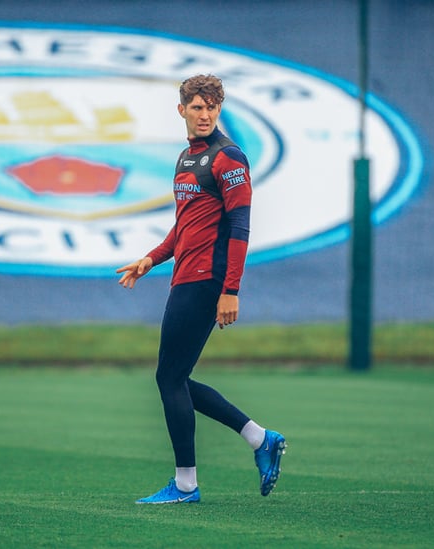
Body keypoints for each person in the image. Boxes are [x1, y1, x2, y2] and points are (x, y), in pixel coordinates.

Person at [116, 74, 285, 504]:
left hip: (207, 281)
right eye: (197, 106)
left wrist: (231, 290)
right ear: (182, 110)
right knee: (174, 378)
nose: (205, 114)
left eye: (212, 107)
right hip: (185, 276)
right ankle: (260, 438)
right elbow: (184, 226)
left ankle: (187, 484)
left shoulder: (229, 158)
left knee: (169, 378)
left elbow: (240, 227)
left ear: (219, 110)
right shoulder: (187, 159)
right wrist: (151, 258)